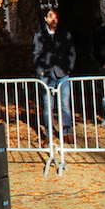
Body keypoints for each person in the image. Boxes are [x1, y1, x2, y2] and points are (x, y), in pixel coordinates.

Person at [32, 7, 76, 144]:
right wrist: (40, 70)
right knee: (48, 106)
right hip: (47, 74)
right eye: (51, 17)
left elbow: (71, 52)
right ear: (46, 19)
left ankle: (67, 132)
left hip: (62, 73)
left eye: (56, 17)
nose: (54, 20)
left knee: (65, 104)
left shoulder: (64, 34)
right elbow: (36, 53)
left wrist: (69, 68)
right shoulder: (39, 35)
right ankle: (49, 133)